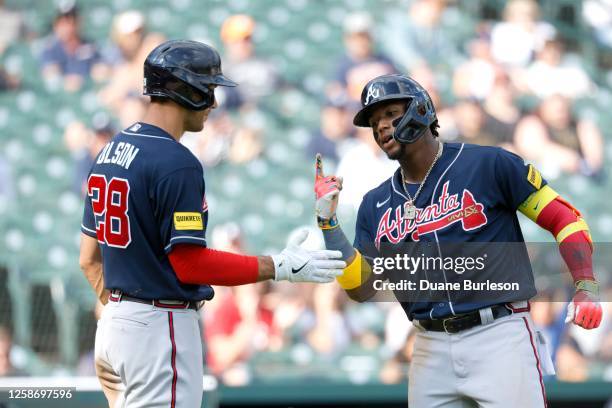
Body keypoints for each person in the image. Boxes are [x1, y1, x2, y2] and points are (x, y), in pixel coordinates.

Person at [78, 40, 345, 408]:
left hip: (114, 327)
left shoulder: (110, 150)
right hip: (158, 327)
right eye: (208, 89)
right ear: (181, 89)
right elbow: (189, 263)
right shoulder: (177, 162)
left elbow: (88, 260)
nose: (214, 102)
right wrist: (277, 266)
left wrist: (124, 314)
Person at [314, 73, 602, 407]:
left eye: (390, 114)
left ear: (421, 110)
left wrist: (585, 285)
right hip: (427, 346)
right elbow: (360, 289)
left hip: (498, 335)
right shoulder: (374, 204)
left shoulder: (488, 163)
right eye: (374, 121)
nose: (381, 126)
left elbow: (564, 217)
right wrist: (329, 224)